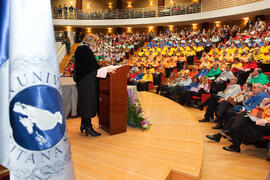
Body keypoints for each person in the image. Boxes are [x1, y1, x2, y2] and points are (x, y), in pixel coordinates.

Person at [73, 34, 101, 137]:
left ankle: (84, 124)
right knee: (88, 103)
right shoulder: (86, 51)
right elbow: (94, 67)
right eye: (95, 43)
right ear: (91, 41)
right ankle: (88, 127)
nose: (96, 45)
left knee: (84, 102)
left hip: (83, 81)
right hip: (87, 81)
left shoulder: (80, 49)